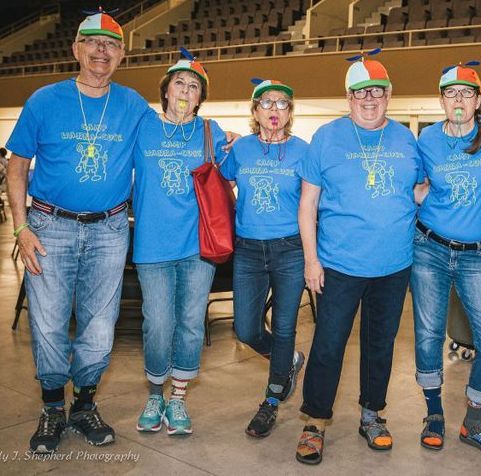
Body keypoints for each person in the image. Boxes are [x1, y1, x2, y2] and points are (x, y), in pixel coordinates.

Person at [6, 10, 150, 453]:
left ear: (122, 54)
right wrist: (21, 227)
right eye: (92, 42)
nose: (101, 50)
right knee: (48, 325)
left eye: (111, 44)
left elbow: (170, 143)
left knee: (100, 325)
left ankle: (84, 405)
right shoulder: (44, 101)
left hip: (109, 229)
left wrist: (218, 140)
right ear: (76, 49)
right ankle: (52, 408)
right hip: (49, 226)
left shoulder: (133, 106)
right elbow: (16, 165)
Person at [294, 52, 421, 465]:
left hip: (394, 265)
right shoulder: (327, 138)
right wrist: (312, 260)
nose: (370, 100)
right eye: (361, 93)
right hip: (339, 265)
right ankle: (315, 422)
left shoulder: (406, 140)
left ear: (388, 97)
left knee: (380, 345)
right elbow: (307, 204)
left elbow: (419, 191)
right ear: (348, 98)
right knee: (328, 345)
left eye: (378, 93)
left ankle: (372, 415)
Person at [411, 62, 481, 458]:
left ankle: (474, 421)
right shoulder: (426, 138)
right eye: (451, 93)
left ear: (479, 100)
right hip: (430, 248)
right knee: (428, 334)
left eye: (466, 93)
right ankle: (434, 413)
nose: (459, 99)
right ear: (441, 100)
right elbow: (417, 183)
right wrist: (427, 196)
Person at [132, 50, 226, 436]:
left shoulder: (210, 131)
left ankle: (178, 399)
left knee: (190, 324)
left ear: (200, 97)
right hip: (152, 246)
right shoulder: (143, 126)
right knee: (157, 323)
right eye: (179, 83)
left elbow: (234, 167)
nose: (186, 90)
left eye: (194, 86)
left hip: (197, 247)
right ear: (166, 91)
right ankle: (155, 392)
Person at [219, 78, 308, 438]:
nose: (274, 110)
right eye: (266, 103)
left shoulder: (305, 150)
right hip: (249, 250)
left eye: (282, 103)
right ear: (255, 112)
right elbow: (221, 180)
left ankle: (270, 403)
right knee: (246, 329)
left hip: (290, 249)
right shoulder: (241, 151)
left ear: (290, 113)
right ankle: (288, 361)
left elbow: (315, 200)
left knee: (285, 327)